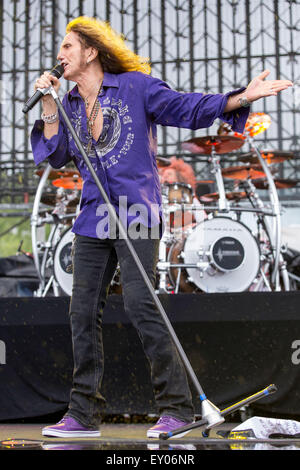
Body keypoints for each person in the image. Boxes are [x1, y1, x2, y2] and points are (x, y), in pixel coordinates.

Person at [30, 16, 292, 439]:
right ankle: (82, 415)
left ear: (91, 51)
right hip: (93, 214)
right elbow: (56, 155)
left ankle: (176, 408)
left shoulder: (135, 86)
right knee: (80, 311)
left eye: (67, 47)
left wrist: (241, 97)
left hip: (135, 211)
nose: (60, 55)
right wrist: (48, 104)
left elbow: (186, 107)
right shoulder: (70, 102)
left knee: (140, 303)